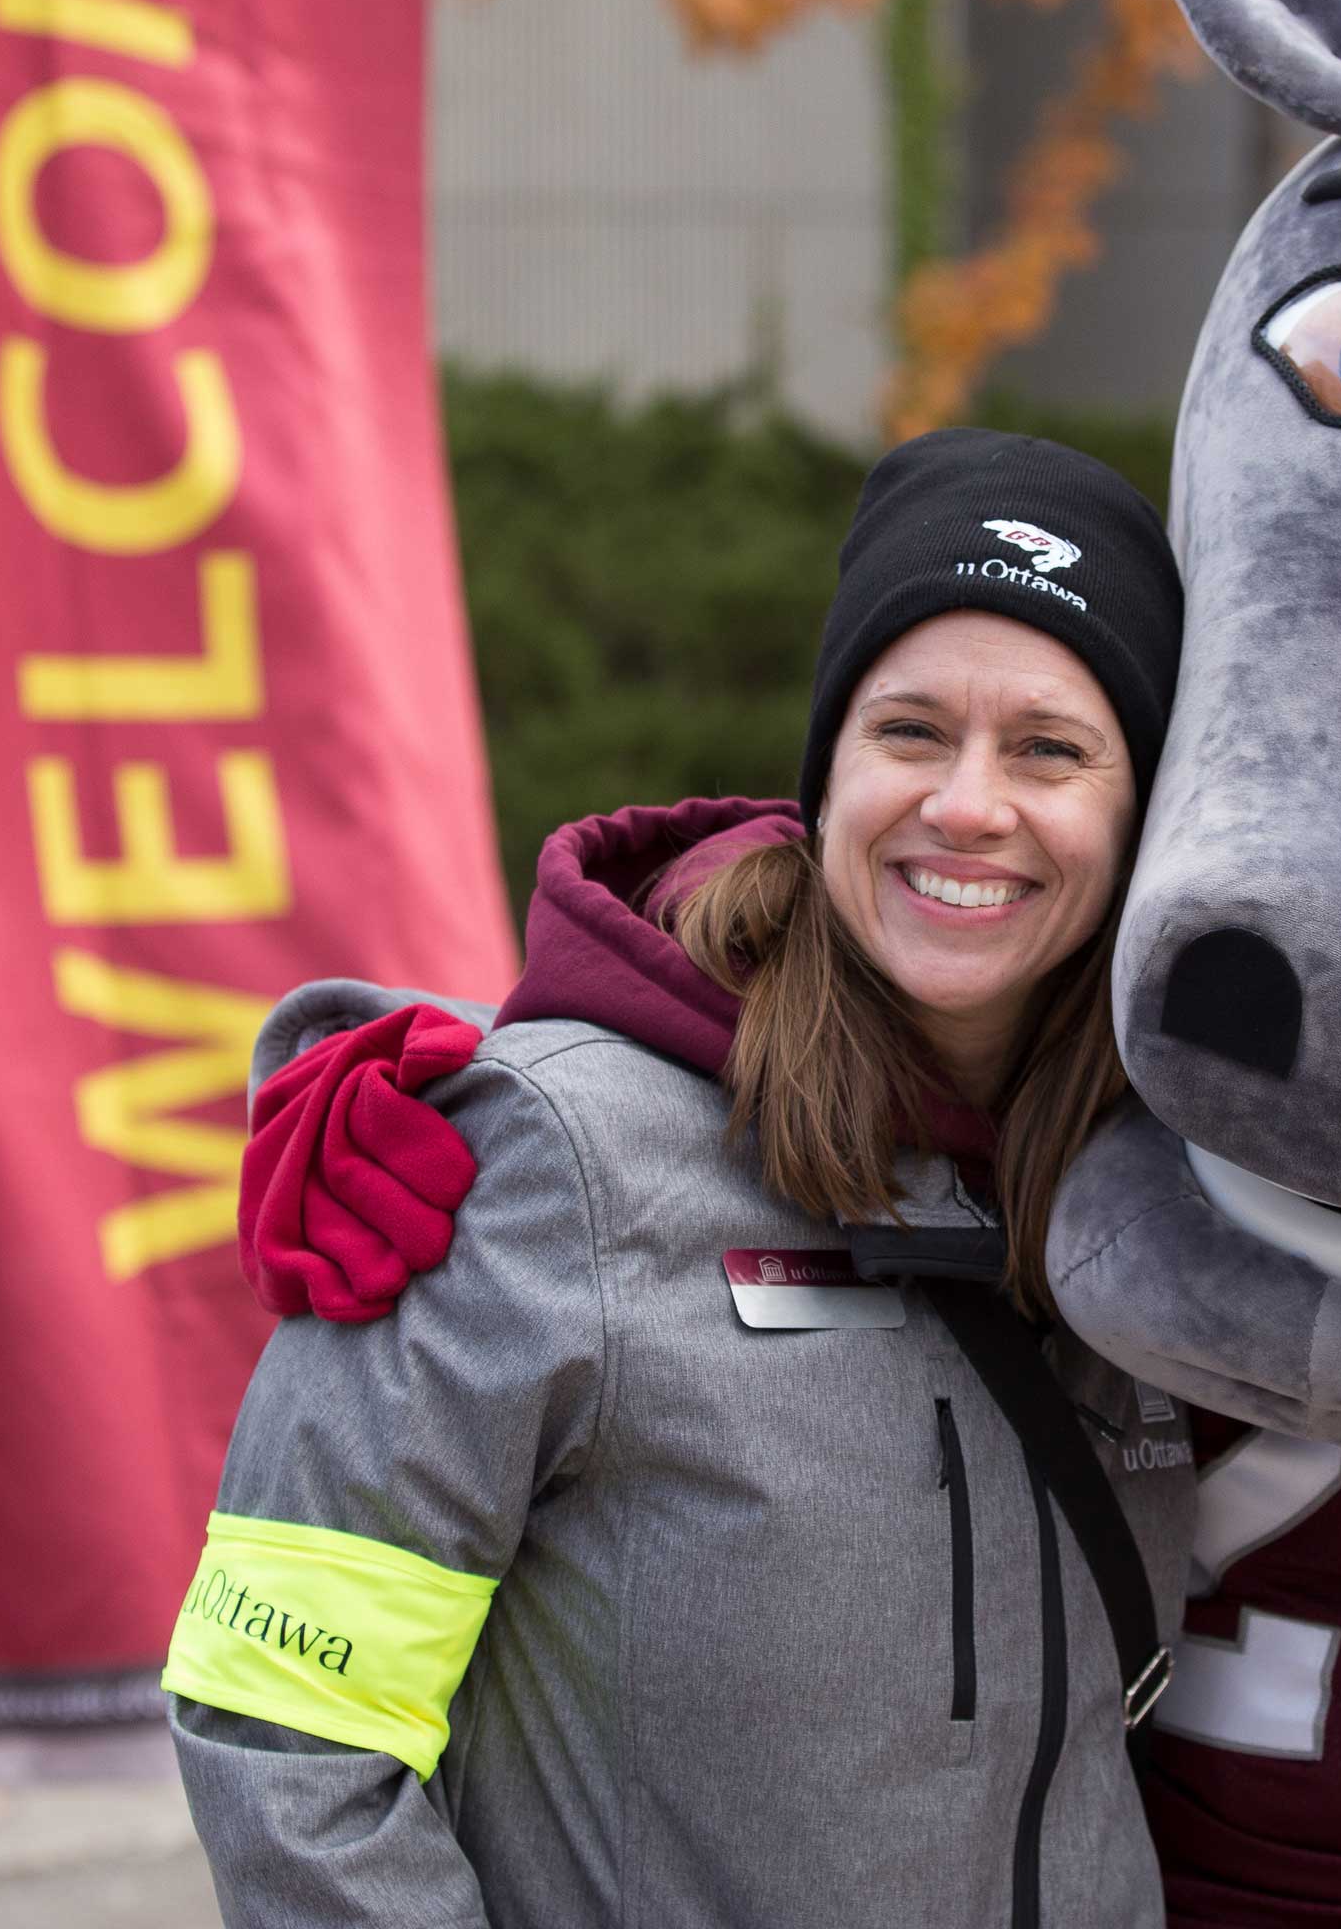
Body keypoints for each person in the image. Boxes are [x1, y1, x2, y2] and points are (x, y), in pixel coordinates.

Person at [165, 428, 1198, 1929]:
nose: (970, 806)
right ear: (828, 770)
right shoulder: (544, 1162)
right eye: (910, 731)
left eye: (1049, 747)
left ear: (1139, 811)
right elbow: (278, 1725)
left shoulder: (1147, 1207)